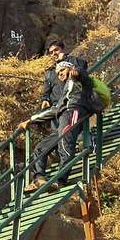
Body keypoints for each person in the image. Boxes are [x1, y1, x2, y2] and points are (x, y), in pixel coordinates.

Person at [19, 60, 95, 193]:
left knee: (65, 147)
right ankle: (39, 179)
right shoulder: (66, 90)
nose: (60, 74)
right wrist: (31, 120)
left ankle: (60, 181)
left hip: (73, 113)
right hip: (63, 118)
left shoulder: (77, 80)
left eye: (62, 70)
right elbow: (55, 110)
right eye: (58, 73)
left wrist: (77, 71)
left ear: (69, 68)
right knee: (41, 148)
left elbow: (85, 77)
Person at [39, 40, 88, 123]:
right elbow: (47, 88)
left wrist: (65, 58)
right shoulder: (50, 72)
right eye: (51, 52)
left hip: (72, 105)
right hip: (56, 108)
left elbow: (82, 66)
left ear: (62, 50)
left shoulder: (71, 62)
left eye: (56, 50)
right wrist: (45, 99)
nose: (54, 53)